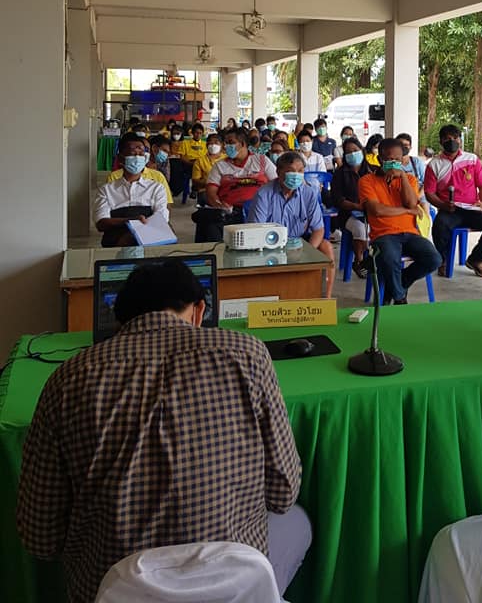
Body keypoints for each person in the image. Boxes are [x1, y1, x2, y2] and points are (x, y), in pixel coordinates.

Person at [17, 261, 310, 603]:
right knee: (297, 521)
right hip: (232, 584)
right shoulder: (248, 355)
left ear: (120, 318)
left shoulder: (68, 379)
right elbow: (283, 492)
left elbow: (41, 537)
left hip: (113, 592)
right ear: (198, 310)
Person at [358, 138, 442, 305]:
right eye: (389, 159)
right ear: (380, 159)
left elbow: (411, 203)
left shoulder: (409, 179)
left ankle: (398, 285)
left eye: (397, 159)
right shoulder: (367, 181)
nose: (394, 163)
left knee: (434, 259)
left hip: (410, 233)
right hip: (383, 235)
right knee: (390, 259)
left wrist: (402, 176)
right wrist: (407, 211)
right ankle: (399, 297)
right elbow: (377, 211)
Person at [249, 151, 336, 297]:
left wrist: (308, 251)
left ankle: (325, 299)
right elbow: (256, 231)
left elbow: (318, 229)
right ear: (278, 172)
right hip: (271, 244)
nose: (296, 175)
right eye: (291, 171)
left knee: (326, 247)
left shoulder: (308, 193)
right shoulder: (264, 194)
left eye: (300, 171)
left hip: (301, 242)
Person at [424, 124, 482, 278]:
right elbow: (429, 193)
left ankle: (475, 260)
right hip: (449, 210)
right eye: (447, 139)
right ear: (441, 142)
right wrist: (443, 205)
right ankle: (443, 261)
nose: (452, 141)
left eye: (455, 138)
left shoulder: (472, 159)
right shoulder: (434, 164)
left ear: (460, 140)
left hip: (472, 209)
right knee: (439, 226)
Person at [192, 129, 276, 243]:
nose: (226, 146)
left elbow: (276, 183)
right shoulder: (220, 166)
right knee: (211, 227)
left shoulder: (261, 160)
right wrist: (219, 205)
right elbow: (211, 192)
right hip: (230, 212)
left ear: (243, 144)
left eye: (231, 142)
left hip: (259, 209)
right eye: (225, 143)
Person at [94, 133, 170, 246]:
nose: (137, 157)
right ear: (121, 158)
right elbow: (101, 223)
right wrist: (131, 221)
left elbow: (161, 220)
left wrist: (131, 234)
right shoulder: (106, 190)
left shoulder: (156, 188)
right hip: (115, 244)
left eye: (141, 154)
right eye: (133, 154)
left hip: (148, 243)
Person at [331, 137, 370, 278]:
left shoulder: (372, 170)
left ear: (362, 150)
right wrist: (356, 207)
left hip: (371, 212)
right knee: (361, 229)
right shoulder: (340, 174)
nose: (353, 154)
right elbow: (338, 199)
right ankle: (359, 261)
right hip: (348, 214)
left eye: (355, 150)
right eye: (348, 152)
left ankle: (375, 260)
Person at [191, 131, 225, 197]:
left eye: (216, 143)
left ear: (222, 145)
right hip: (206, 190)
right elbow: (195, 181)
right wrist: (211, 182)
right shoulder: (200, 161)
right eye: (211, 143)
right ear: (207, 145)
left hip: (225, 190)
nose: (213, 145)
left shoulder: (227, 159)